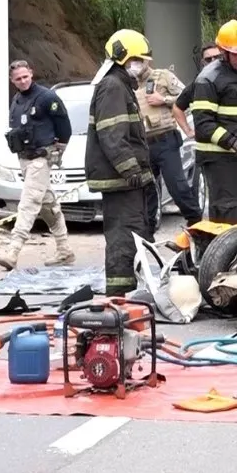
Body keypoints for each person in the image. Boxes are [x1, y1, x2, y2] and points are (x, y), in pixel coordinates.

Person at [85, 29, 156, 297]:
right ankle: (120, 296)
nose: (144, 66)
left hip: (124, 179)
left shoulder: (119, 85)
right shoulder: (113, 87)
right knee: (123, 236)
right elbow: (112, 135)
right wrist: (130, 168)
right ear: (124, 59)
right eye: (140, 60)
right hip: (120, 179)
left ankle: (128, 291)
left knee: (134, 233)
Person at [0, 60, 75, 270]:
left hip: (41, 158)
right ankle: (65, 250)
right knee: (48, 205)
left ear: (31, 73)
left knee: (29, 203)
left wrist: (60, 148)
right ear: (12, 81)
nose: (23, 81)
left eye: (25, 76)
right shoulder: (17, 100)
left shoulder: (47, 97)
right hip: (24, 158)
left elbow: (64, 126)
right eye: (18, 79)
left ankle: (13, 250)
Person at [190, 19, 237, 224]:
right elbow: (204, 124)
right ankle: (221, 255)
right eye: (236, 53)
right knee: (226, 213)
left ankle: (236, 254)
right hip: (219, 159)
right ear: (224, 51)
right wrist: (233, 142)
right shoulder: (209, 79)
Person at [132, 60, 203, 232]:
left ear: (147, 60)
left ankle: (196, 223)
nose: (135, 65)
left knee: (177, 186)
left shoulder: (163, 76)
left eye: (139, 60)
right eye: (132, 60)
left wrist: (163, 99)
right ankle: (147, 232)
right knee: (147, 190)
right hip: (143, 144)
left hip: (165, 140)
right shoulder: (128, 85)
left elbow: (188, 96)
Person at [174, 42, 222, 139]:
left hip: (233, 142)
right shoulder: (197, 84)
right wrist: (188, 131)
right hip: (207, 145)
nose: (213, 62)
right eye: (209, 59)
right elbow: (177, 108)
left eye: (217, 57)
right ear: (203, 62)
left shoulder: (235, 79)